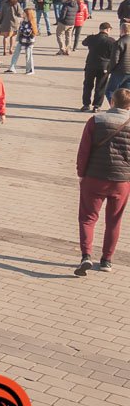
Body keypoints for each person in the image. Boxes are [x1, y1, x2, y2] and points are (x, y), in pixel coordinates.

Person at [74, 88, 130, 275]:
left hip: (94, 178)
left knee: (88, 218)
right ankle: (106, 260)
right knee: (114, 221)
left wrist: (81, 173)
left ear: (111, 102)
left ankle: (86, 256)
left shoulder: (96, 121)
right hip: (121, 181)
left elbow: (84, 151)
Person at [81, 22, 118, 112]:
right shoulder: (111, 41)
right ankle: (97, 106)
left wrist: (89, 37)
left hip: (90, 65)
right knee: (100, 86)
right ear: (108, 30)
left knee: (87, 85)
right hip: (104, 67)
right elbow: (113, 54)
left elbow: (84, 43)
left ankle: (86, 104)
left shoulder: (92, 38)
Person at [6, 7, 38, 75]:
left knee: (28, 55)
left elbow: (27, 32)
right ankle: (12, 68)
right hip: (21, 40)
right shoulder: (23, 21)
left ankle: (30, 70)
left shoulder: (31, 22)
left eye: (24, 13)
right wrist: (21, 29)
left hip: (29, 42)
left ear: (27, 14)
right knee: (15, 54)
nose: (22, 13)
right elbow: (21, 30)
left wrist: (22, 30)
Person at [107, 22, 130, 104]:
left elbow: (115, 59)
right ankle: (125, 109)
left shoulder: (119, 42)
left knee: (110, 91)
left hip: (120, 71)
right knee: (126, 93)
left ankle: (114, 107)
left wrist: (109, 70)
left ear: (122, 30)